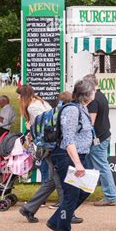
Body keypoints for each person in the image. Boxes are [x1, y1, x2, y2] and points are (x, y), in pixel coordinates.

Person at [19, 92, 83, 223]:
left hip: (48, 150)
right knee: (63, 183)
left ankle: (28, 208)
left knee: (52, 182)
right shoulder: (64, 114)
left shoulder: (52, 113)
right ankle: (68, 214)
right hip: (56, 152)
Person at [46, 79, 96, 231]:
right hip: (67, 157)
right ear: (87, 94)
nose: (96, 92)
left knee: (86, 189)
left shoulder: (82, 108)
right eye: (94, 90)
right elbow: (68, 139)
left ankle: (55, 221)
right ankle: (62, 227)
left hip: (80, 156)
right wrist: (78, 164)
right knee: (70, 196)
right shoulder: (72, 110)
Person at [83, 74, 116, 206]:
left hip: (97, 138)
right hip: (104, 134)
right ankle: (83, 192)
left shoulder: (93, 100)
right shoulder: (101, 96)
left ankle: (110, 196)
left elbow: (90, 122)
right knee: (96, 165)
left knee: (102, 167)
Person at [17, 85, 53, 183]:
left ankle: (45, 189)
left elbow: (42, 125)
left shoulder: (32, 108)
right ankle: (46, 188)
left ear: (24, 96)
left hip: (44, 142)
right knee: (45, 165)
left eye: (19, 95)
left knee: (43, 165)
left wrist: (30, 127)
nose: (18, 98)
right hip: (49, 140)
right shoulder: (40, 102)